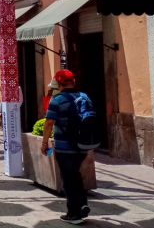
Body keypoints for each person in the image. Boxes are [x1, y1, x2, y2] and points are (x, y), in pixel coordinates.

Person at [42, 70, 92, 224]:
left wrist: (44, 143)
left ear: (58, 83)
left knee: (68, 178)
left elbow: (49, 122)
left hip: (65, 146)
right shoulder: (85, 97)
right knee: (74, 175)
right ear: (73, 81)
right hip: (83, 145)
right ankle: (82, 204)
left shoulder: (57, 99)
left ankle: (73, 214)